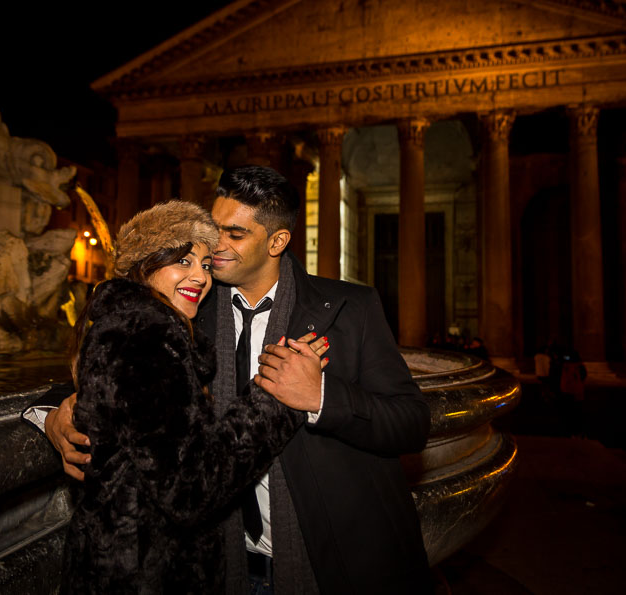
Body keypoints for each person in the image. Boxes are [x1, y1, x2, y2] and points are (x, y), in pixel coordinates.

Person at [35, 167, 432, 593]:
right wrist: (51, 417)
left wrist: (319, 396)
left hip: (326, 564)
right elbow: (106, 373)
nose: (216, 247)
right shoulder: (185, 309)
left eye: (235, 234)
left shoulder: (349, 309)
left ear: (277, 241)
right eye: (213, 229)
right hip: (221, 569)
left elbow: (411, 422)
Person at [58, 200, 328, 594]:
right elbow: (191, 489)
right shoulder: (147, 337)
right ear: (144, 263)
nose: (199, 277)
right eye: (182, 261)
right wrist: (275, 395)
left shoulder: (127, 325)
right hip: (142, 573)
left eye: (204, 265)